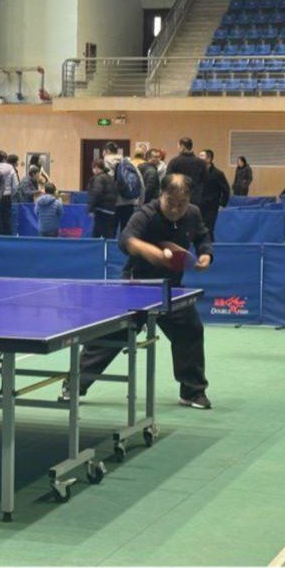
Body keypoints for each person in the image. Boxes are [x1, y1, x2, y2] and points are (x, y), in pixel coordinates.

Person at [73, 174, 215, 408]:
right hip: (137, 286)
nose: (176, 209)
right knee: (112, 336)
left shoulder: (192, 214)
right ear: (162, 195)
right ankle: (75, 384)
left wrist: (205, 254)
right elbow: (126, 239)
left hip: (170, 289)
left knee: (190, 331)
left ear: (189, 200)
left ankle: (192, 392)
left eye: (182, 204)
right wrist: (147, 251)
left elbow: (202, 236)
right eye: (171, 202)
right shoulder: (145, 214)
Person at [198, 149, 231, 242]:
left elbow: (226, 190)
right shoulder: (197, 172)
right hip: (198, 205)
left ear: (209, 159)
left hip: (211, 206)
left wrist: (222, 204)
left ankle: (210, 248)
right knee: (198, 229)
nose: (199, 158)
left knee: (208, 229)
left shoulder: (218, 173)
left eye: (202, 156)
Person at [87, 160, 120, 240]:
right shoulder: (109, 177)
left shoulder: (98, 178)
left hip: (101, 210)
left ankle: (94, 248)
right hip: (111, 209)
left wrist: (90, 209)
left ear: (96, 168)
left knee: (96, 235)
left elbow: (96, 193)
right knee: (108, 234)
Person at [0, 152, 19, 234]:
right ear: (5, 158)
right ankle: (7, 237)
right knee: (7, 219)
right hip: (7, 196)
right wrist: (11, 195)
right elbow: (16, 185)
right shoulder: (10, 167)